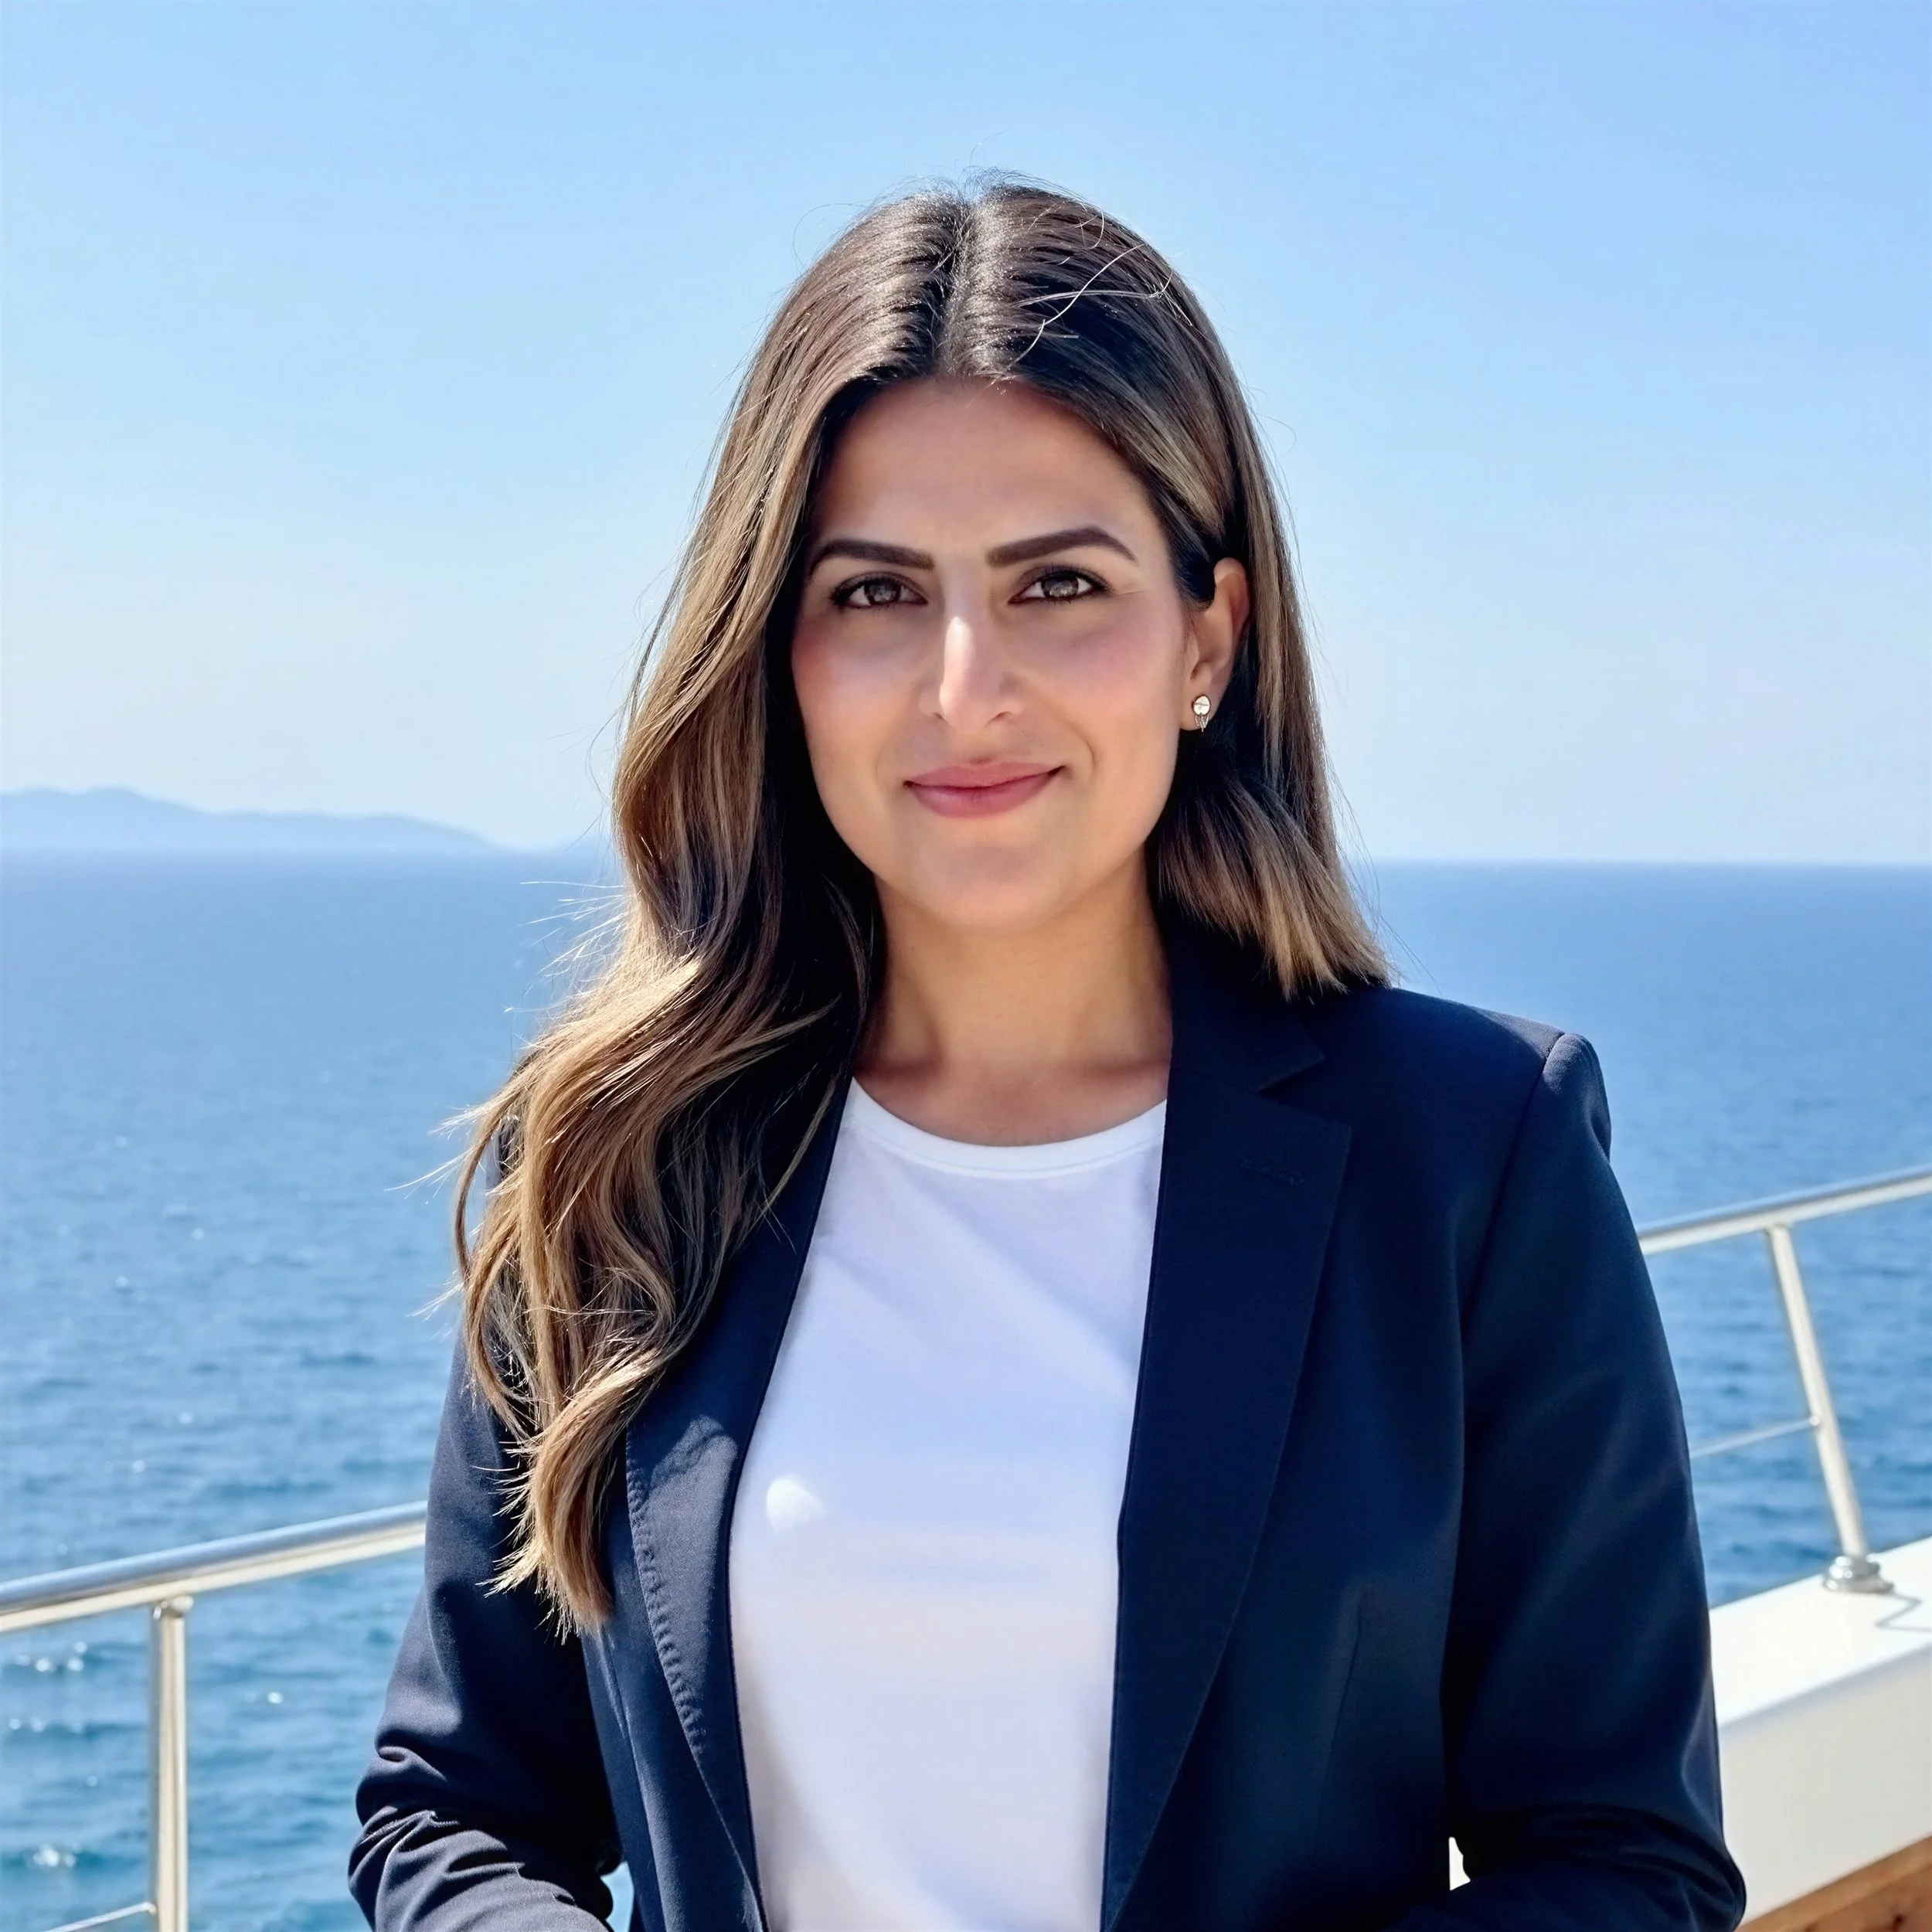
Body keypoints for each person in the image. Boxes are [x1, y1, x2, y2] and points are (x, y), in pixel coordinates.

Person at [349, 182, 1744, 1932]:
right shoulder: (619, 1164)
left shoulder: (1470, 1158)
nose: (965, 688)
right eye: (875, 591)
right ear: (781, 656)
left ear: (1207, 639)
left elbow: (1623, 1863)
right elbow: (455, 1814)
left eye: (1058, 584)